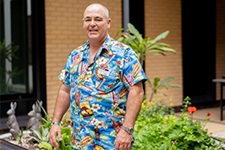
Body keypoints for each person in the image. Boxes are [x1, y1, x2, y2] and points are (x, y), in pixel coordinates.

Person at [49, 3, 147, 150]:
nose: (92, 24)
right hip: (79, 141)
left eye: (98, 19)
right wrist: (55, 122)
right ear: (83, 23)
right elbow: (65, 90)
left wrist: (127, 130)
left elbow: (137, 91)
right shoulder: (76, 55)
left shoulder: (124, 54)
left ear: (108, 23)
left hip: (112, 142)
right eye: (88, 19)